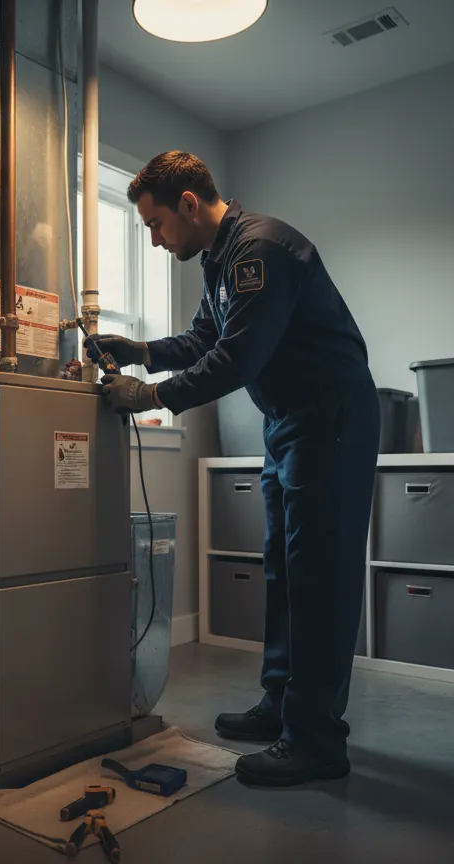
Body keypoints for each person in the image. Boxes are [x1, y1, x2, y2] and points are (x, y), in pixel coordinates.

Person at [87, 151, 380, 787]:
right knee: (284, 566)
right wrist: (138, 353)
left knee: (318, 576)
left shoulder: (261, 250)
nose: (157, 240)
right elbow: (203, 341)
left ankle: (317, 740)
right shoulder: (220, 261)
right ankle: (282, 704)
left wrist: (153, 397)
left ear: (188, 203)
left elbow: (238, 359)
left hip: (328, 421)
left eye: (157, 224)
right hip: (290, 424)